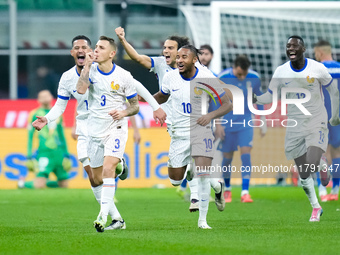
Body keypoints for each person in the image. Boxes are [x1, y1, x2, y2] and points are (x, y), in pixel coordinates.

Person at [115, 27, 213, 212]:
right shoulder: (161, 64)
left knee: (194, 153)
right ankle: (206, 185)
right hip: (172, 121)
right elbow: (137, 57)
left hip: (195, 120)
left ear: (182, 51)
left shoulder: (198, 70)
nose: (165, 51)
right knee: (176, 178)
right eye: (165, 47)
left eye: (170, 47)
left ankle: (195, 198)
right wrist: (122, 40)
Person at [254, 35, 340, 222]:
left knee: (311, 162)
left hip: (316, 120)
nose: (290, 48)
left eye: (295, 46)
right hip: (294, 124)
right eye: (288, 46)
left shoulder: (317, 68)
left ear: (304, 49)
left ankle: (321, 163)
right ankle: (316, 207)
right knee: (303, 174)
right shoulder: (281, 71)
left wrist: (334, 115)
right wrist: (256, 99)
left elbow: (333, 90)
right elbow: (271, 96)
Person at [76, 35, 151, 232]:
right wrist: (87, 66)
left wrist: (124, 112)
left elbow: (135, 106)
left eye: (100, 48)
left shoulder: (124, 76)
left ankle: (102, 216)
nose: (95, 50)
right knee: (97, 178)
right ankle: (118, 219)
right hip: (95, 130)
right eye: (96, 47)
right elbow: (81, 90)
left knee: (108, 168)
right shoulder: (90, 71)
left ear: (112, 53)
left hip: (116, 127)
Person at [153, 45, 233, 229]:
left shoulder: (206, 77)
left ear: (194, 60)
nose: (179, 60)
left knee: (203, 175)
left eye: (184, 57)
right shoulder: (170, 76)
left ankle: (203, 221)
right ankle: (217, 185)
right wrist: (141, 100)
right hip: (179, 134)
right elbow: (162, 96)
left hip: (201, 130)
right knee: (175, 180)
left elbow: (227, 104)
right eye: (178, 57)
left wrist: (210, 116)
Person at [214, 55, 266, 203]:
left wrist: (262, 119)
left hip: (245, 122)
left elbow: (259, 97)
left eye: (244, 73)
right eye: (239, 74)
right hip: (227, 123)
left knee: (246, 155)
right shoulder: (222, 77)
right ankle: (228, 189)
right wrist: (218, 124)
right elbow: (215, 101)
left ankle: (245, 192)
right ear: (234, 67)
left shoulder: (254, 77)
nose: (242, 77)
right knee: (227, 159)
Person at [22, 90, 71, 189]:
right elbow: (30, 137)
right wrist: (29, 156)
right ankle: (23, 184)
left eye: (46, 96)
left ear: (51, 97)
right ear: (38, 100)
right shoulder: (34, 114)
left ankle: (47, 183)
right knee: (39, 185)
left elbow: (62, 136)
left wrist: (66, 155)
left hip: (58, 153)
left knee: (64, 185)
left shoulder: (57, 114)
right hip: (44, 153)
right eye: (42, 96)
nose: (45, 98)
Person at [314, 39, 340, 201]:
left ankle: (322, 190)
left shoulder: (316, 70)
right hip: (337, 115)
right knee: (336, 151)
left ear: (320, 52)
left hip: (320, 114)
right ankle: (335, 190)